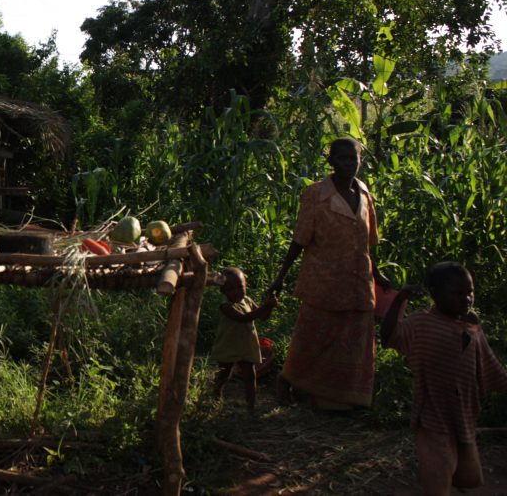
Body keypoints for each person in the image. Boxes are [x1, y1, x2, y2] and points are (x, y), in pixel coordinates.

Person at [269, 137, 391, 410]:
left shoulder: (364, 193)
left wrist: (378, 274)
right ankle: (288, 380)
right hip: (323, 280)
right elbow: (300, 240)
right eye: (342, 159)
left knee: (355, 342)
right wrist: (281, 277)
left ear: (361, 161)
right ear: (331, 161)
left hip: (359, 280)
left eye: (353, 159)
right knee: (313, 338)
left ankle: (341, 400)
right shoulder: (316, 194)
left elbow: (367, 242)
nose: (349, 164)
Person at [381, 262, 507, 496]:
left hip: (462, 410)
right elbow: (389, 337)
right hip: (433, 411)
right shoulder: (422, 322)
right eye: (457, 293)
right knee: (438, 467)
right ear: (435, 294)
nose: (467, 299)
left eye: (469, 292)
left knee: (463, 465)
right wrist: (399, 300)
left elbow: (485, 359)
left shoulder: (470, 324)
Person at [210, 267, 279, 413]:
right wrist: (265, 306)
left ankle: (251, 407)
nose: (236, 292)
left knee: (250, 375)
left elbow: (262, 316)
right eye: (230, 289)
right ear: (222, 291)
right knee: (224, 373)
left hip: (246, 345)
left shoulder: (247, 300)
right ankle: (215, 396)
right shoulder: (226, 306)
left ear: (246, 286)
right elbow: (243, 318)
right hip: (228, 345)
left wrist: (270, 305)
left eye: (240, 287)